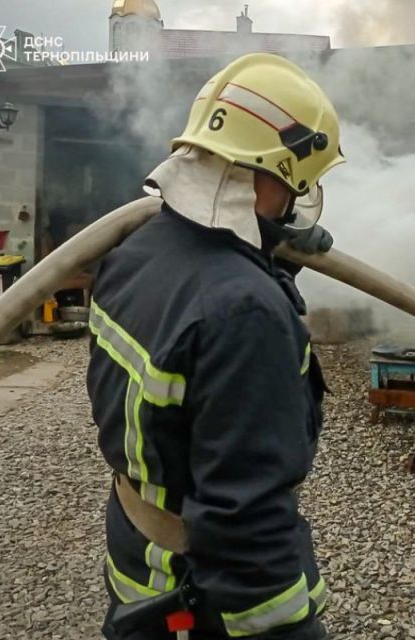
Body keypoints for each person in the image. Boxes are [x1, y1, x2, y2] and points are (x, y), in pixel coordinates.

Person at [87, 53, 344, 640]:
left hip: (137, 554)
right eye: (299, 186)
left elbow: (191, 349)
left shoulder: (135, 254)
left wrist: (270, 263)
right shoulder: (244, 311)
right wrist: (288, 630)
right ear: (273, 174)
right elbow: (244, 521)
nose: (298, 203)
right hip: (201, 596)